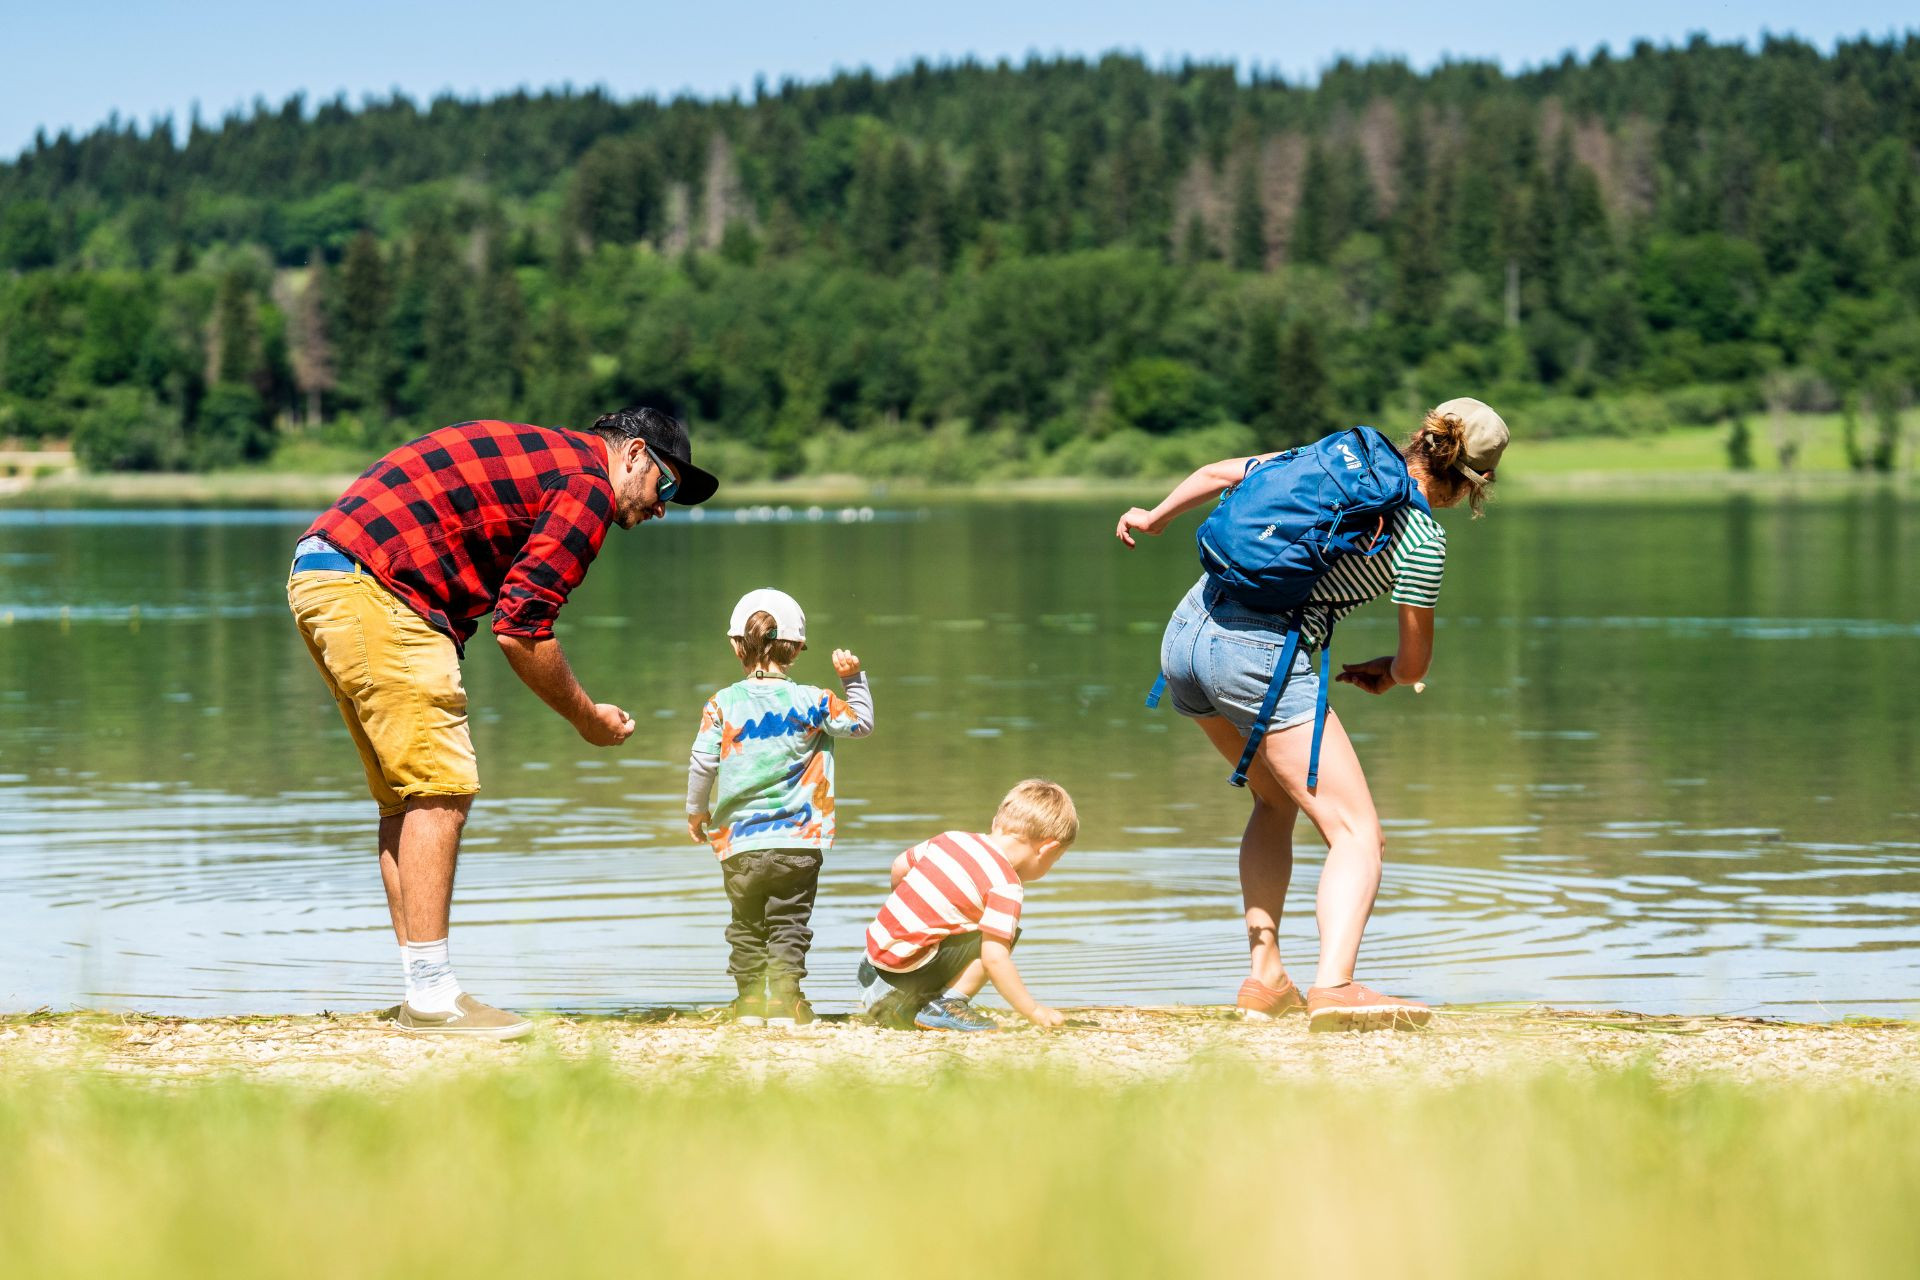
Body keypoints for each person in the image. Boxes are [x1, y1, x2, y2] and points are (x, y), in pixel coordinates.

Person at [288, 406, 718, 1038]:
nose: (662, 507)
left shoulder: (551, 459)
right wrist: (587, 718)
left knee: (406, 798)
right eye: (668, 486)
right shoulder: (586, 486)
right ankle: (433, 997)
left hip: (325, 571)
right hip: (380, 587)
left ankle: (420, 987)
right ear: (631, 455)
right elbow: (521, 629)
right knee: (441, 786)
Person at [1115, 399, 1508, 1032]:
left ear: (1421, 436)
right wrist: (1388, 673)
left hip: (1187, 635)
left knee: (1275, 803)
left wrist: (1155, 516)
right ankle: (1336, 986)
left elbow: (1222, 473)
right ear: (1473, 483)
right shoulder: (1422, 536)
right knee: (1358, 835)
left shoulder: (1338, 456)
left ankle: (1266, 976)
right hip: (1257, 656)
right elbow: (1413, 666)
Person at [686, 589, 875, 1027]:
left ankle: (750, 1004)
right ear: (794, 648)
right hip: (800, 840)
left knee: (746, 923)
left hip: (739, 842)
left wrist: (696, 811)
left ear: (737, 645)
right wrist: (854, 681)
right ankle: (787, 1002)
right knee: (790, 922)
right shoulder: (815, 700)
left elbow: (702, 762)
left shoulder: (721, 703)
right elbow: (861, 725)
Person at [855, 779, 1078, 1032]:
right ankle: (945, 1006)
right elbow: (994, 960)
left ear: (996, 822)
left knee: (962, 923)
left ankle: (927, 1000)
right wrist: (1032, 1010)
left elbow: (899, 866)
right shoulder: (1005, 886)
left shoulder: (951, 839)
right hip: (898, 996)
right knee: (1000, 936)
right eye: (1056, 860)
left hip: (867, 975)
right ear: (1048, 848)